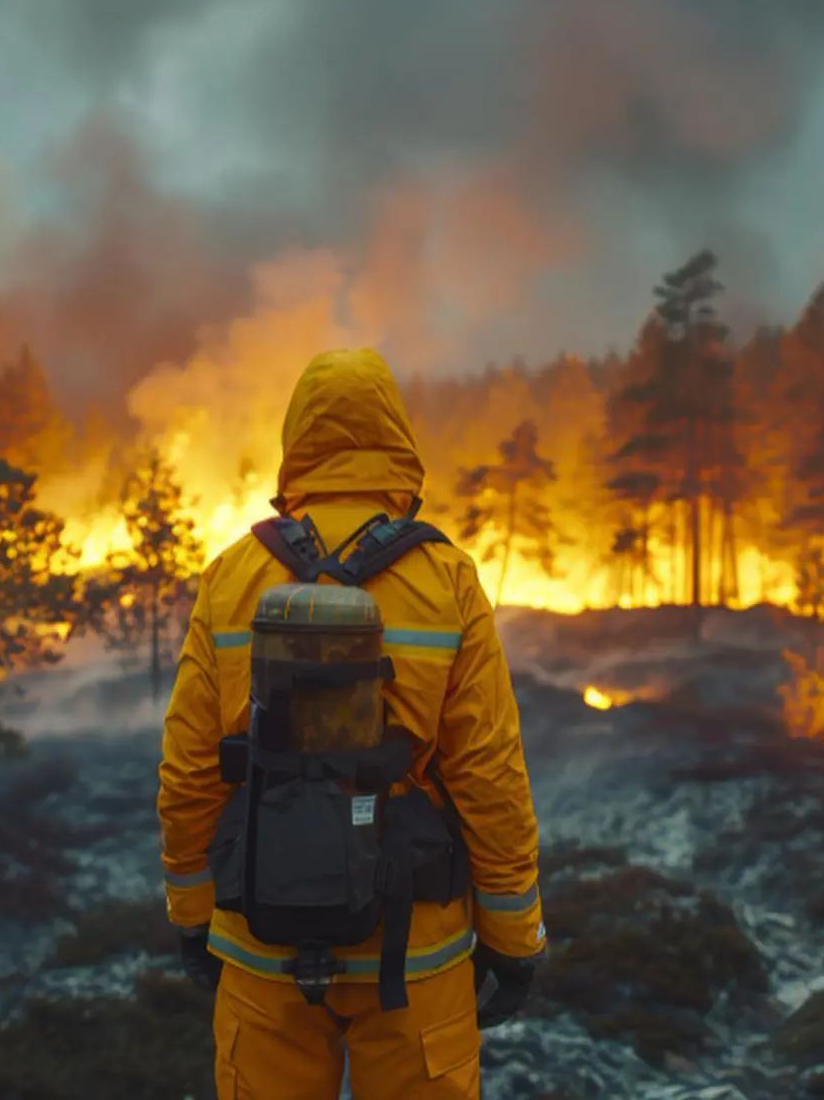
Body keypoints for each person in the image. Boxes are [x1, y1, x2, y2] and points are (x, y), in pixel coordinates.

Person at [158, 347, 547, 1099]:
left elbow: (188, 772)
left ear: (297, 445)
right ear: (397, 442)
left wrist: (194, 915)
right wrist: (513, 937)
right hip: (413, 954)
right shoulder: (447, 580)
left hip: (261, 943)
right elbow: (490, 776)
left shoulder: (233, 577)